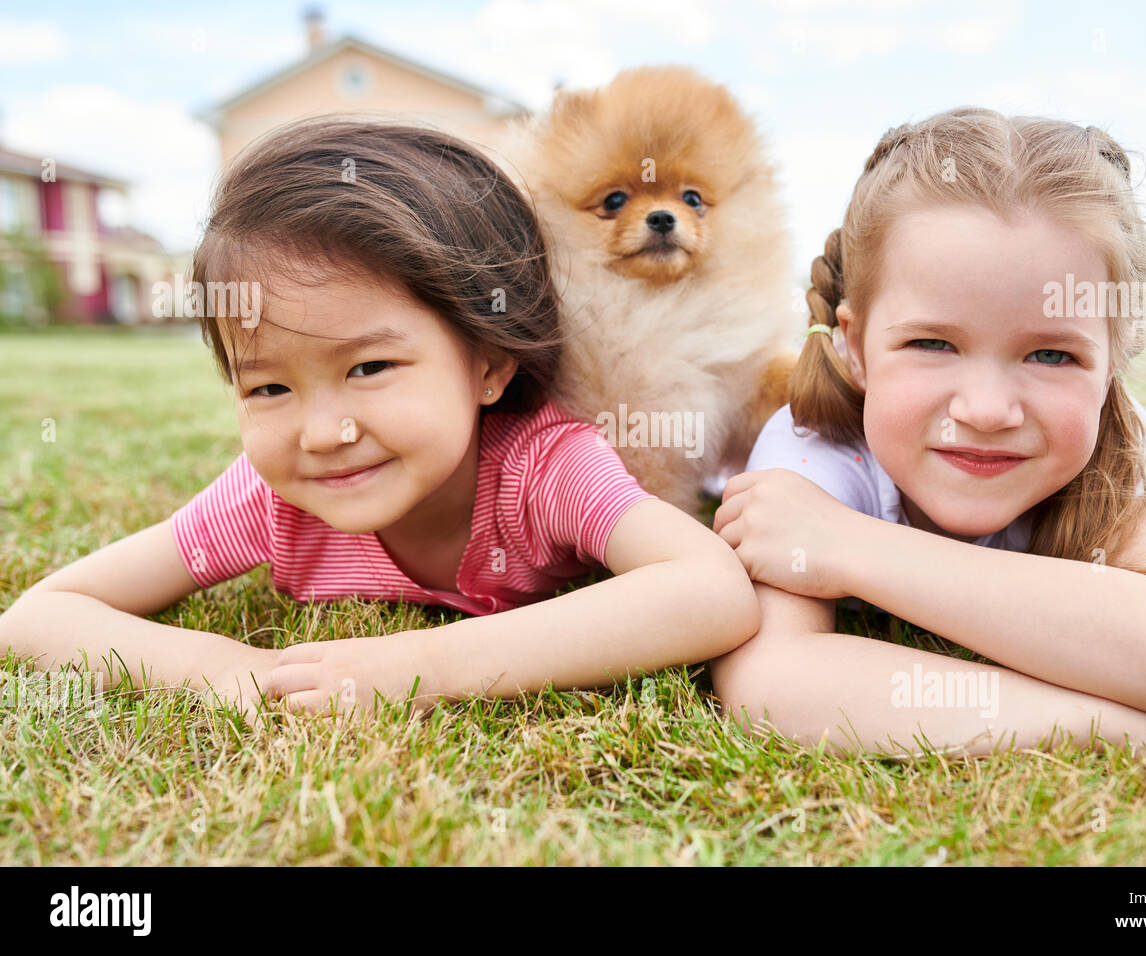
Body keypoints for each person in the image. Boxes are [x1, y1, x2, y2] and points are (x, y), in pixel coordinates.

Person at [0, 117, 759, 719]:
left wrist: (417, 669)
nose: (323, 433)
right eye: (269, 389)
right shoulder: (272, 501)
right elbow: (40, 617)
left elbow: (710, 591)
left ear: (488, 363)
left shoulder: (545, 467)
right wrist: (229, 669)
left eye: (369, 368)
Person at [710, 108, 1146, 765]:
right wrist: (1134, 730)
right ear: (855, 348)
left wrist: (851, 546)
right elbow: (772, 685)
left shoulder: (1112, 446)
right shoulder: (812, 440)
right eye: (932, 343)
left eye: (1051, 356)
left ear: (1115, 360)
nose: (988, 410)